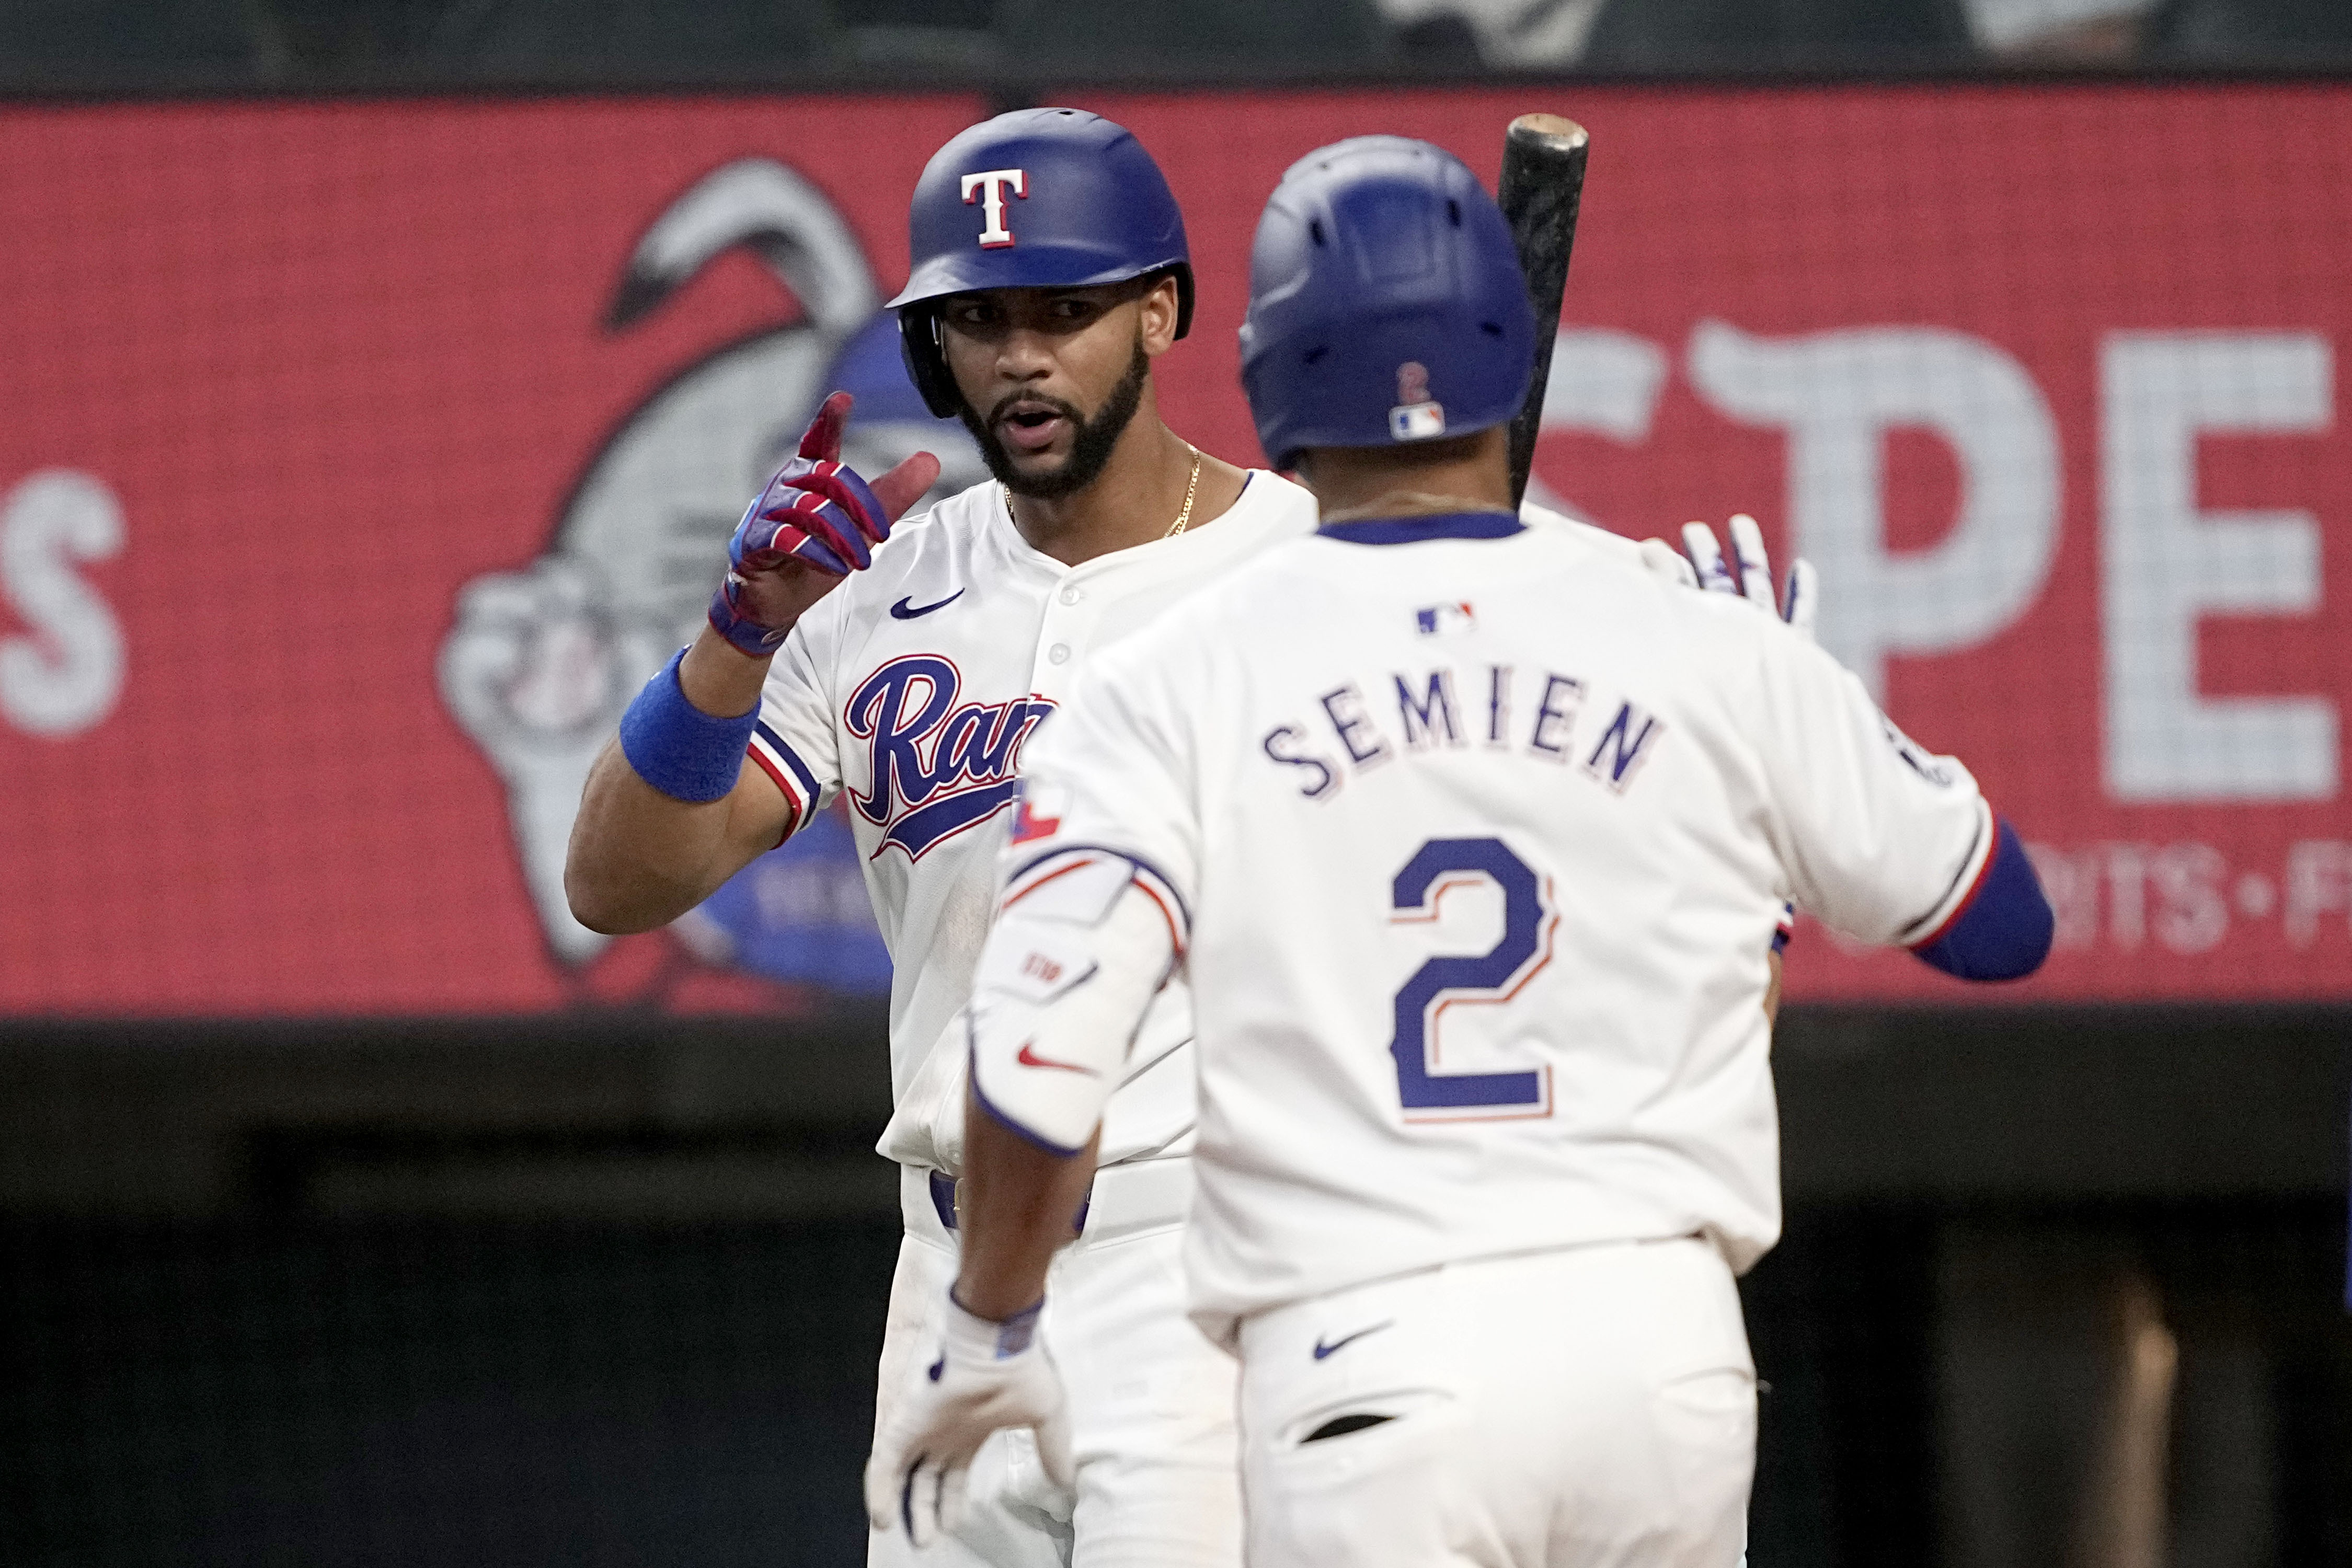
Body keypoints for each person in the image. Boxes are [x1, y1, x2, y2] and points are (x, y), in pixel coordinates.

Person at [865, 135, 2054, 1566]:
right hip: (1659, 1358)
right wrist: (1776, 787)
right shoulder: (1690, 634)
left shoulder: (1174, 676)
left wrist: (988, 1324)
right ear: (1511, 354)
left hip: (1365, 1351)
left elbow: (1039, 1056)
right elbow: (2003, 927)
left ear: (1264, 365)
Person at [563, 107, 1326, 1567]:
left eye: (1067, 311)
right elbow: (614, 885)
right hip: (950, 1267)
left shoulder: (1307, 573)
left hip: (1211, 1253)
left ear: (1161, 310)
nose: (1021, 355)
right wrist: (733, 644)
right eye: (979, 320)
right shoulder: (879, 586)